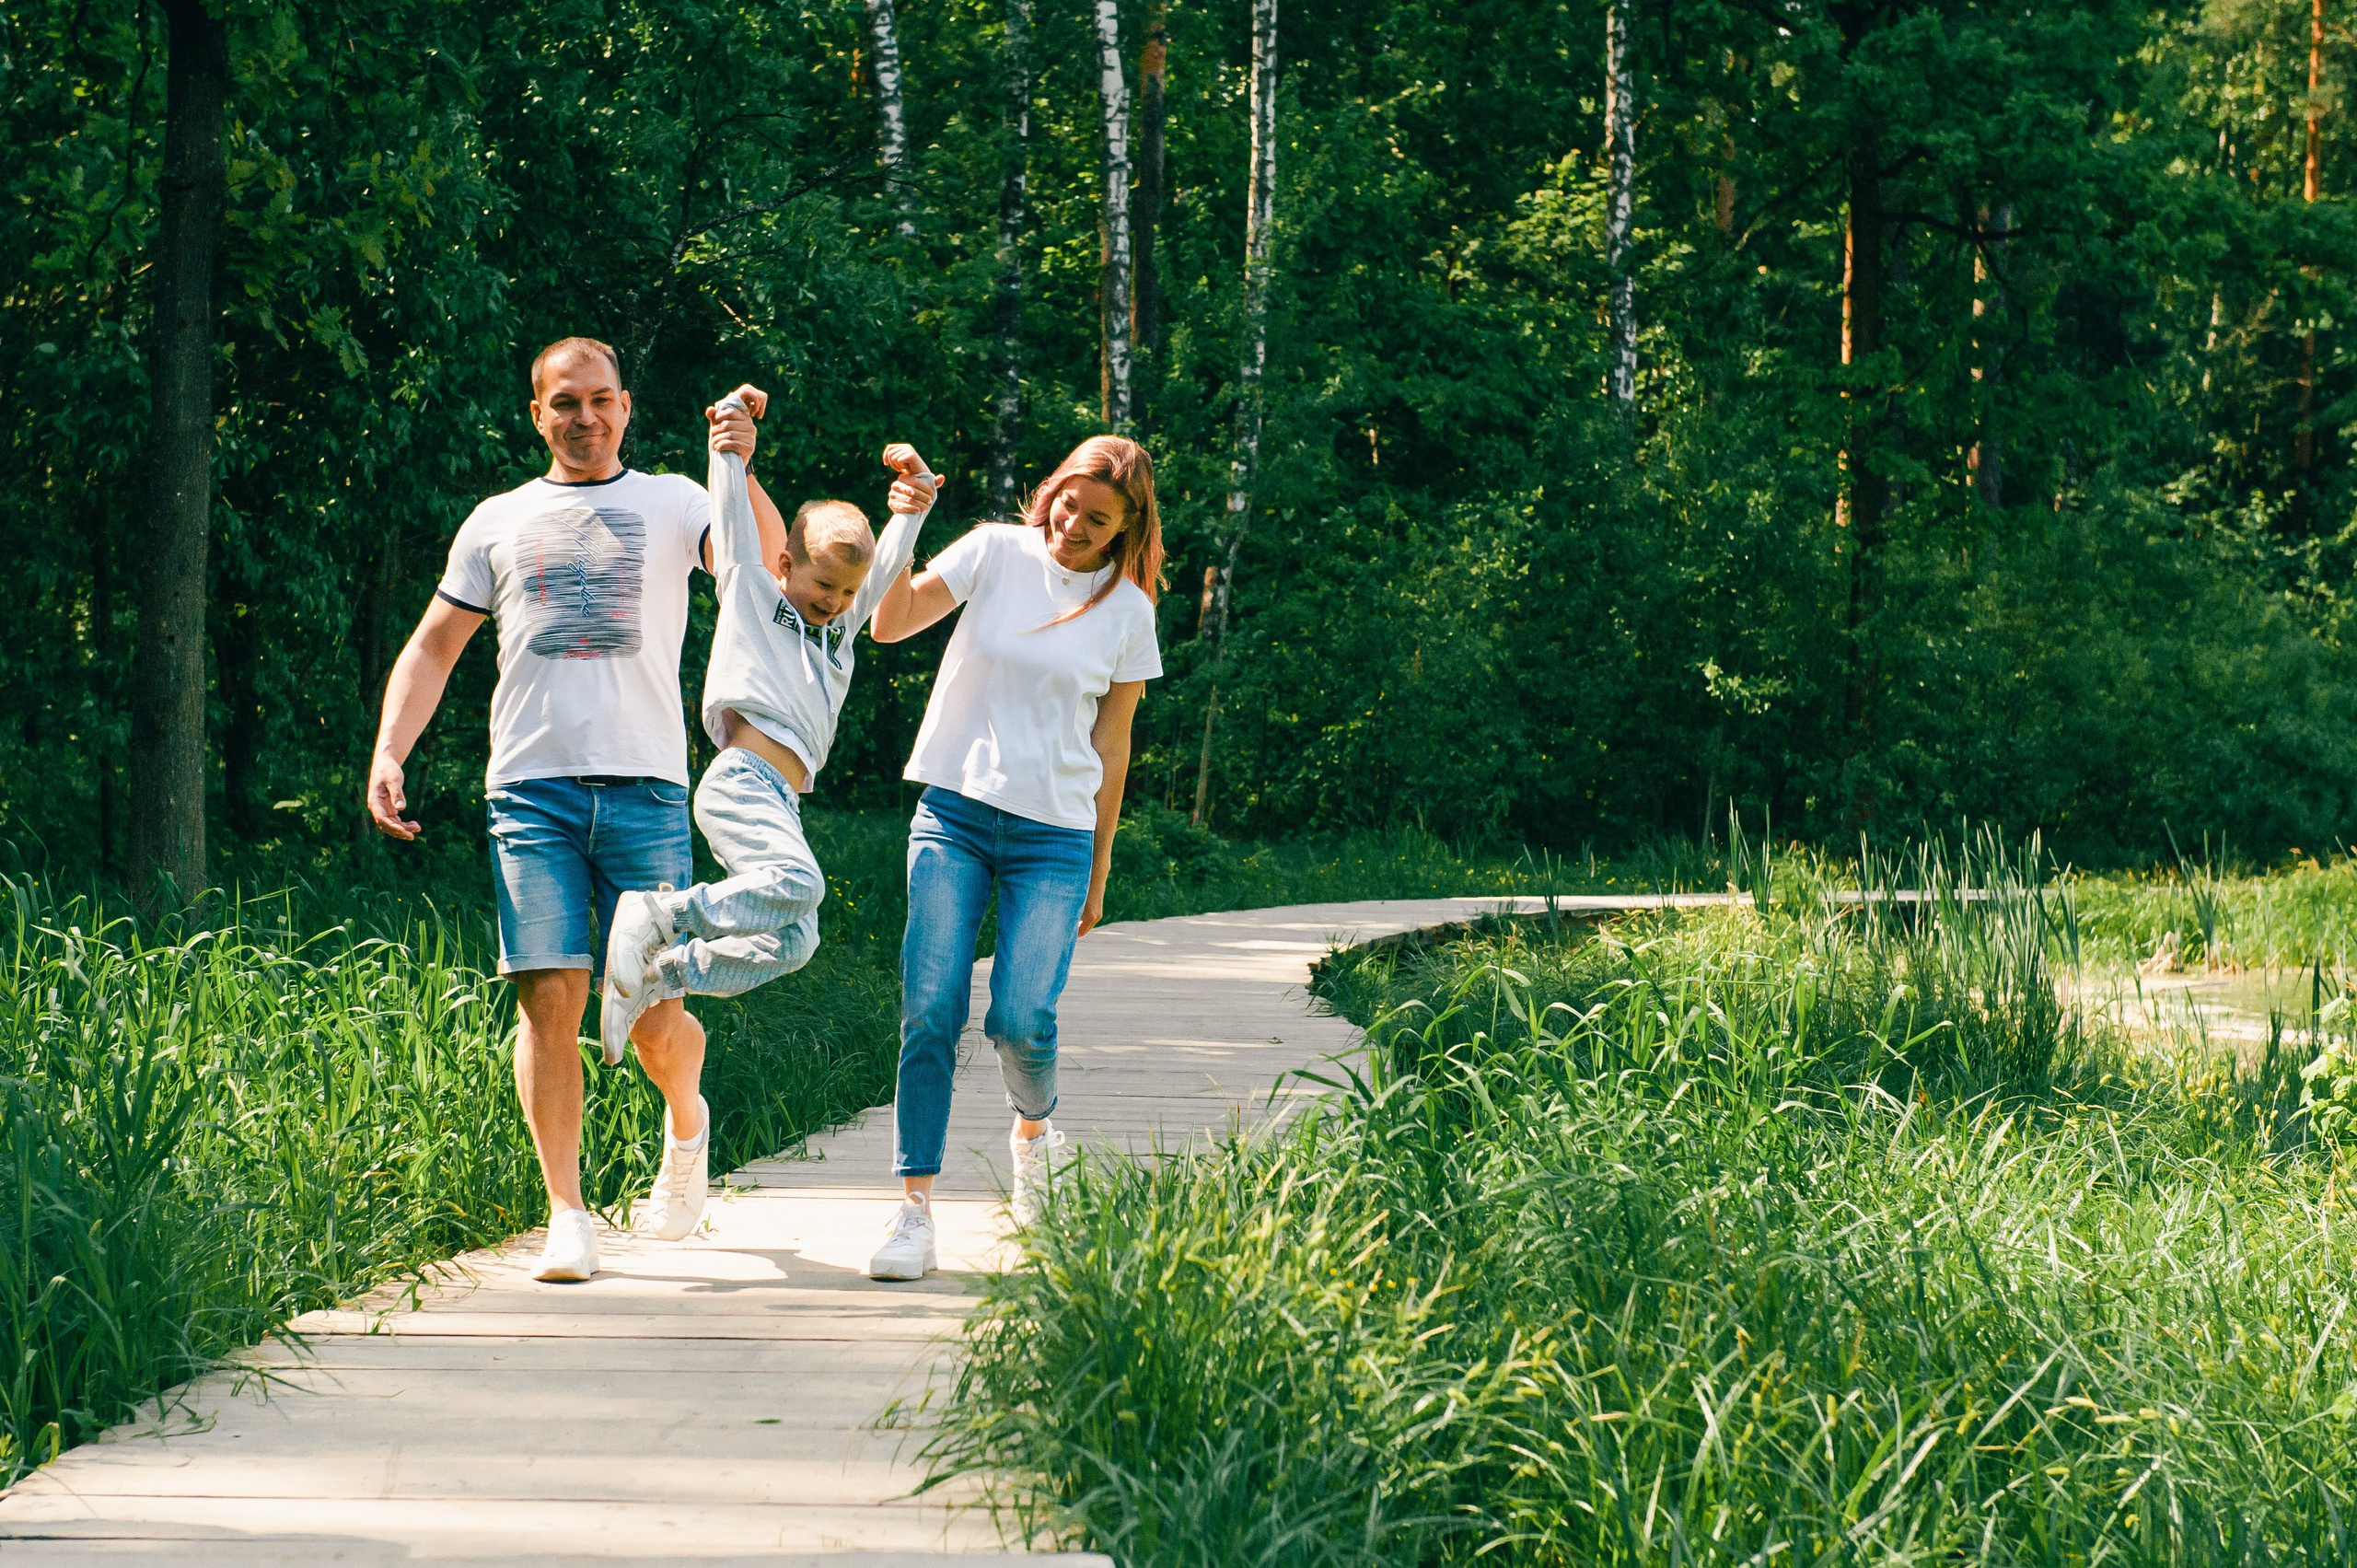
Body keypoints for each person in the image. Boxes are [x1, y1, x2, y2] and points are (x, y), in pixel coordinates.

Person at [366, 337, 772, 1283]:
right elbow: (432, 648)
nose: (583, 417)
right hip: (529, 792)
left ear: (626, 406)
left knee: (649, 1009)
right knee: (550, 998)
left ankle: (687, 1119)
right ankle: (567, 1212)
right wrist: (391, 748)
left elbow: (763, 564)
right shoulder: (497, 520)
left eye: (599, 400)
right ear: (537, 413)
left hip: (645, 787)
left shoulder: (676, 500)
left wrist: (737, 463)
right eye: (563, 403)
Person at [598, 394, 940, 1249]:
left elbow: (887, 569)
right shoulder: (757, 589)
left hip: (778, 799)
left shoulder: (843, 627)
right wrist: (730, 446)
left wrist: (914, 506)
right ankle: (660, 916)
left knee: (797, 937)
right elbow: (731, 514)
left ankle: (663, 973)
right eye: (822, 584)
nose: (832, 602)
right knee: (799, 883)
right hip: (740, 779)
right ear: (788, 563)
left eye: (844, 592)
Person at [862, 435, 1166, 1280]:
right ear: (1052, 490)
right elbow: (887, 624)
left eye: (1096, 518)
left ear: (1126, 526)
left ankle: (1034, 1139)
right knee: (929, 1007)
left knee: (1021, 1018)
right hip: (954, 813)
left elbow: (1113, 747)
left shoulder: (1129, 611)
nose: (1071, 523)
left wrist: (1100, 869)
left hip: (1054, 837)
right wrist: (908, 524)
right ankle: (914, 1210)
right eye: (1066, 502)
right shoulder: (995, 549)